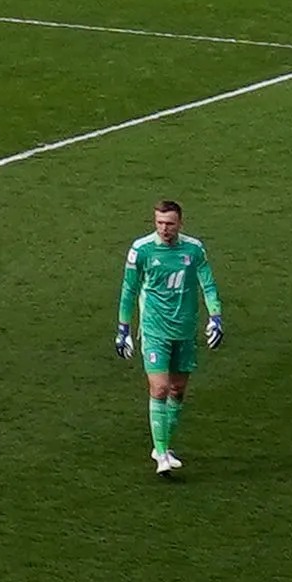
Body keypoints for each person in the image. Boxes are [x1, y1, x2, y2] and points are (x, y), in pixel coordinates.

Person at [117, 197, 224, 476]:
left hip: (185, 330)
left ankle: (162, 446)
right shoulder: (141, 250)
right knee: (160, 388)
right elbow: (129, 290)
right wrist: (123, 329)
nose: (164, 229)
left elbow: (208, 284)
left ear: (180, 223)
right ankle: (162, 454)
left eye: (170, 224)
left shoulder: (194, 249)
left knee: (177, 390)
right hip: (154, 331)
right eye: (160, 223)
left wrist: (215, 316)